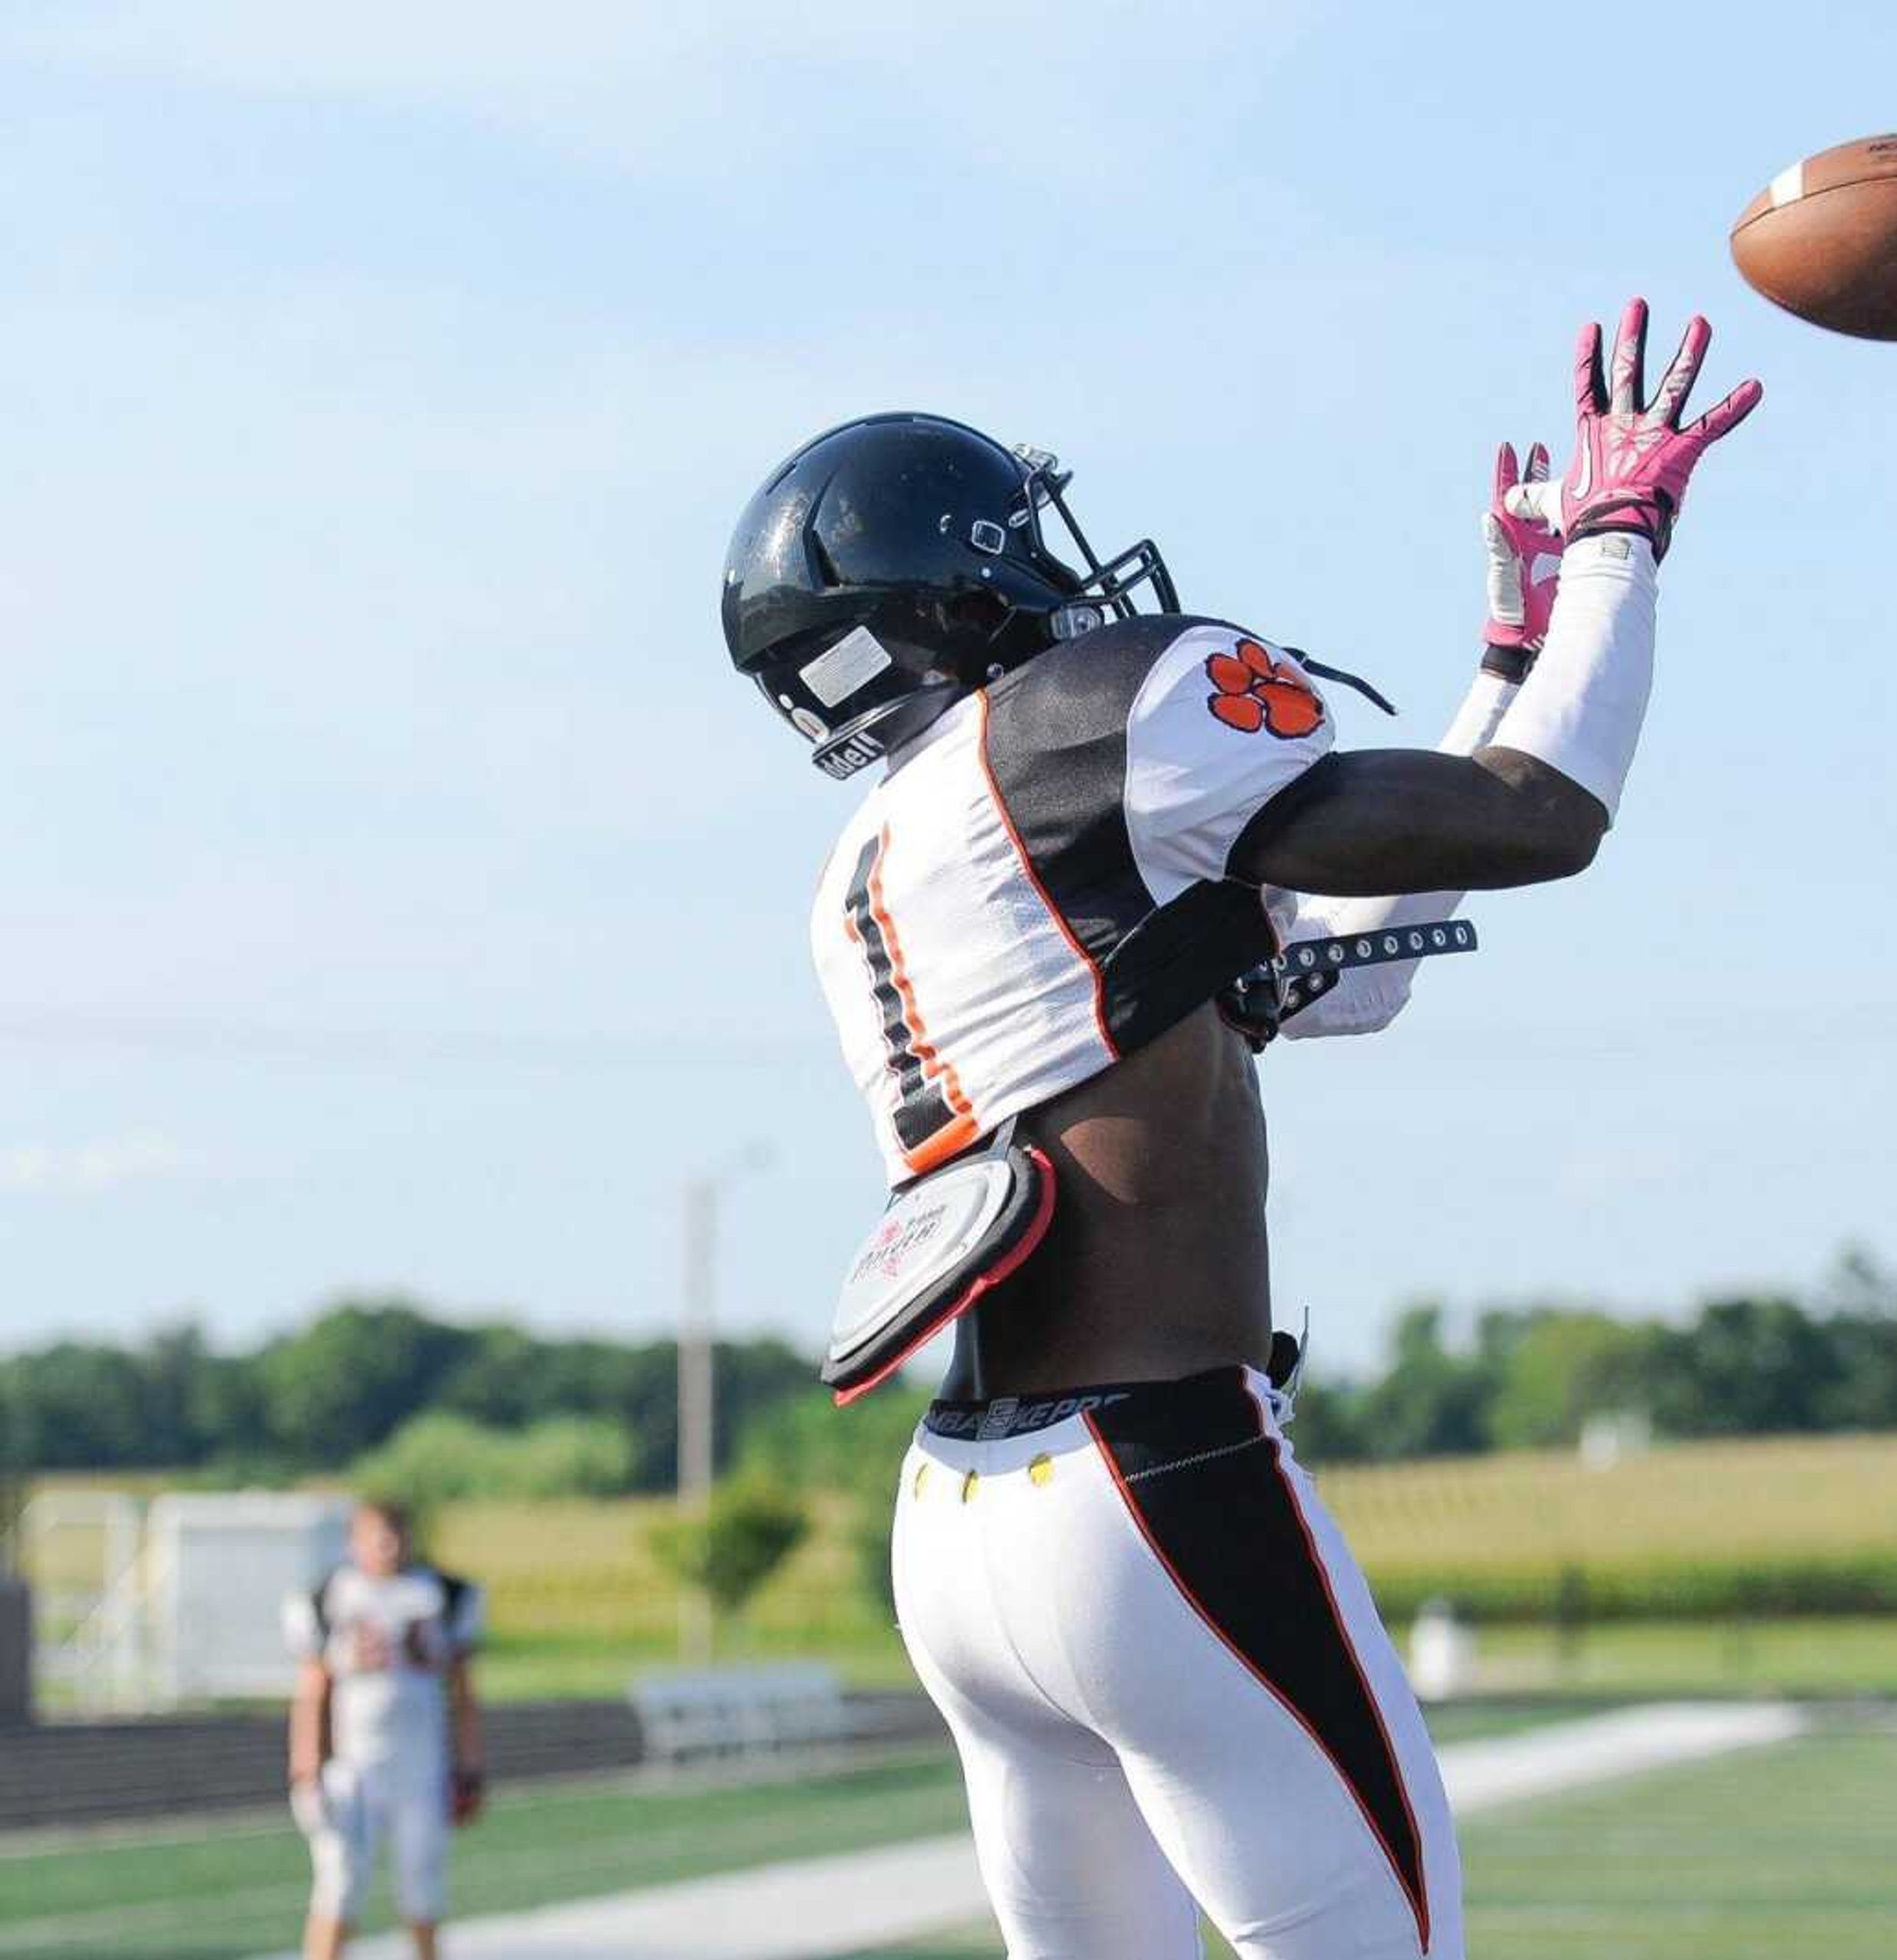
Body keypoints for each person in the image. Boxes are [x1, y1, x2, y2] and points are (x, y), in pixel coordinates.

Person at [721, 299, 1757, 1958]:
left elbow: (1344, 975)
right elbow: (1538, 819)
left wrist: (1506, 660)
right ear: (960, 592)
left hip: (963, 1529)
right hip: (1157, 1484)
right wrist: (1622, 547)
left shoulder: (875, 872)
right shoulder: (1091, 715)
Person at [284, 1498, 487, 1960]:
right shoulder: (329, 1596)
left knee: (423, 1889)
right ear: (355, 1541)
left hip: (420, 1767)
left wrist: (470, 1767)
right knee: (339, 1885)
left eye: (398, 1532)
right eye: (379, 1534)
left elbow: (463, 1692)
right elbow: (312, 1690)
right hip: (352, 1767)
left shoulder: (441, 1594)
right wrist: (305, 1769)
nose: (390, 1544)